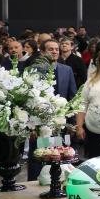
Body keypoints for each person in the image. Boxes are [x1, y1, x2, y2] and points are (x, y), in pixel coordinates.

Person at [27, 39, 78, 180]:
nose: (55, 51)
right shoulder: (33, 70)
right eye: (51, 49)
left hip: (60, 123)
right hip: (39, 124)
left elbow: (72, 97)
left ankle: (56, 183)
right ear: (42, 52)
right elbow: (27, 99)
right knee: (39, 156)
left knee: (58, 156)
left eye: (56, 49)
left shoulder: (66, 70)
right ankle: (33, 184)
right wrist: (30, 126)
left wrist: (72, 123)